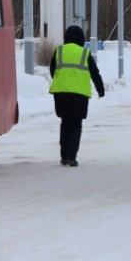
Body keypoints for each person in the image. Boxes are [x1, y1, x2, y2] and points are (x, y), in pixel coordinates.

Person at [48, 24, 106, 167]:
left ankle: (63, 155)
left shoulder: (59, 51)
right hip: (79, 95)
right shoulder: (84, 53)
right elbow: (94, 73)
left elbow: (52, 70)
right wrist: (100, 89)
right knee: (75, 126)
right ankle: (71, 157)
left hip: (61, 94)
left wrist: (61, 80)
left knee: (65, 123)